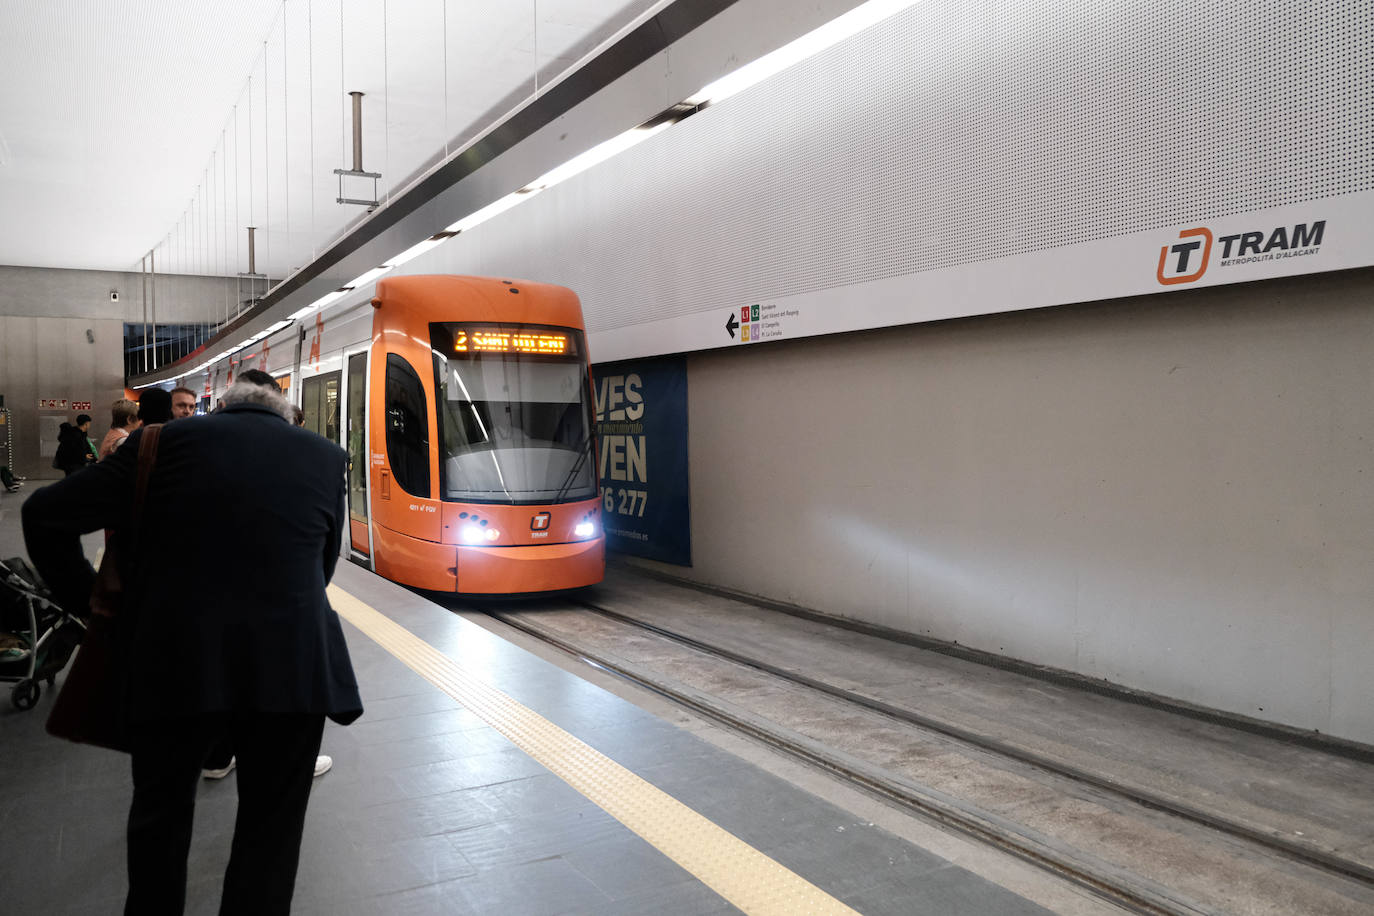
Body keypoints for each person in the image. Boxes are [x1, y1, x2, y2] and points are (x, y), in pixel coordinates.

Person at [23, 376, 362, 915]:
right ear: (285, 415)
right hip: (293, 668)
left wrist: (87, 606)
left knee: (160, 817)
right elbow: (321, 567)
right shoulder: (325, 456)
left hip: (175, 662)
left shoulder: (162, 444)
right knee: (271, 832)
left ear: (218, 411)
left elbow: (42, 514)